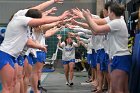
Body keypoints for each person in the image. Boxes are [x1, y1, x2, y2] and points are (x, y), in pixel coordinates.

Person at [83, 2, 131, 93]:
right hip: (117, 57)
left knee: (118, 89)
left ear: (112, 13)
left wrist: (88, 17)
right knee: (120, 89)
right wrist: (88, 18)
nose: (107, 15)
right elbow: (96, 32)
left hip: (120, 57)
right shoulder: (117, 21)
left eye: (108, 12)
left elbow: (97, 29)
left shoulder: (116, 22)